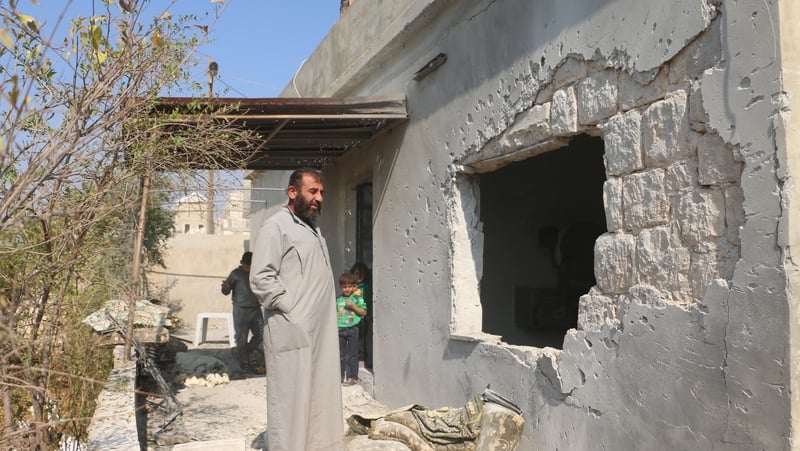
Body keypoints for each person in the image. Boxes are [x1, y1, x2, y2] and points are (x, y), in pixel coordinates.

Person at [249, 168, 344, 451]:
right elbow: (261, 278)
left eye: (321, 192)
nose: (319, 198)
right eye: (312, 192)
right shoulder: (275, 226)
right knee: (291, 398)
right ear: (293, 192)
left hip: (320, 331)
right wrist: (293, 309)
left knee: (320, 395)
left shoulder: (312, 228)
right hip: (292, 328)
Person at [220, 251, 263, 373]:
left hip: (255, 309)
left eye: (248, 266)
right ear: (241, 263)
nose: (247, 268)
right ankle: (244, 362)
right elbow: (225, 291)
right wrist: (225, 287)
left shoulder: (257, 274)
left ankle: (243, 352)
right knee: (241, 338)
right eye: (245, 265)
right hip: (240, 310)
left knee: (261, 334)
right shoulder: (235, 274)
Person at [336, 271, 367, 386]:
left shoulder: (357, 299)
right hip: (340, 329)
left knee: (353, 354)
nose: (347, 289)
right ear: (341, 287)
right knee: (341, 355)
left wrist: (353, 306)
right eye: (344, 287)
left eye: (349, 286)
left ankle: (353, 377)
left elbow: (363, 312)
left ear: (354, 287)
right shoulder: (338, 300)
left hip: (352, 329)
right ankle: (339, 377)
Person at [350, 261, 373, 368]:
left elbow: (370, 301)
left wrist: (370, 314)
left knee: (362, 340)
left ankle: (362, 361)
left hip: (364, 317)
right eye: (356, 273)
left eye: (361, 273)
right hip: (351, 317)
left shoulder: (367, 287)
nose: (358, 275)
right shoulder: (351, 287)